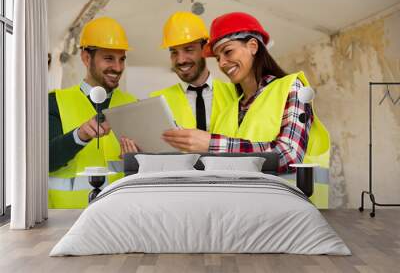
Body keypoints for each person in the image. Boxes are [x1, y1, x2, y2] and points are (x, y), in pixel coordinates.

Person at [162, 12, 330, 207]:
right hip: (244, 215)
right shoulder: (229, 111)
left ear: (252, 46)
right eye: (218, 58)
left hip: (293, 215)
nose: (222, 63)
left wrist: (211, 144)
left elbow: (288, 155)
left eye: (228, 52)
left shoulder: (291, 88)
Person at [49, 17, 138, 209]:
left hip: (120, 214)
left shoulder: (134, 105)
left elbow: (145, 173)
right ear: (86, 58)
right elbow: (45, 161)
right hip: (67, 218)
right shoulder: (54, 102)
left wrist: (136, 161)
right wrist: (78, 136)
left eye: (122, 59)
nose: (118, 67)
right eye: (109, 58)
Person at [150, 11, 237, 131]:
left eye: (189, 49)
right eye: (174, 52)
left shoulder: (235, 93)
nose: (181, 60)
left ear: (205, 49)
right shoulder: (157, 101)